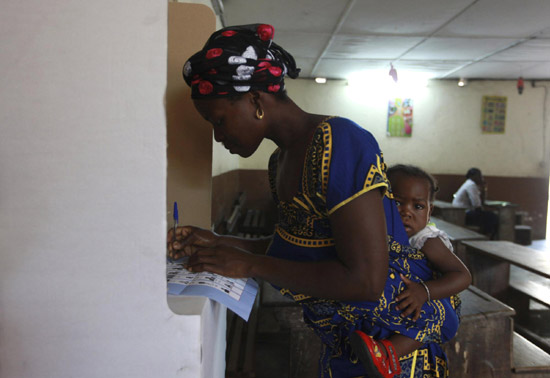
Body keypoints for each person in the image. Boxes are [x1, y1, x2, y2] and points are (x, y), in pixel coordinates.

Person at [169, 23, 454, 378]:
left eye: (220, 120)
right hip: (345, 344)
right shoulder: (280, 162)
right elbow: (294, 249)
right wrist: (219, 242)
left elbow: (366, 281)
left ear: (255, 101)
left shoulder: (340, 142)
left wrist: (249, 264)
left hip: (394, 350)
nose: (218, 136)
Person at [452, 168, 498, 238]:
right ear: (473, 176)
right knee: (492, 217)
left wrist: (484, 189)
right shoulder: (471, 185)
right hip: (463, 214)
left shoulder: (469, 183)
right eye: (479, 176)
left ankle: (485, 236)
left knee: (488, 216)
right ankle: (486, 237)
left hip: (459, 212)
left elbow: (480, 203)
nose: (481, 178)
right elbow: (477, 205)